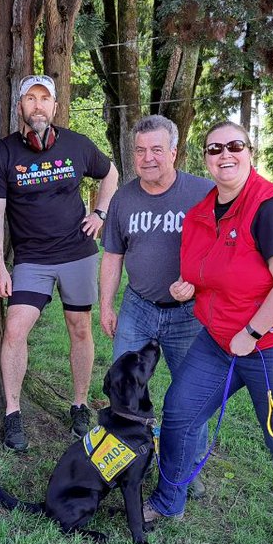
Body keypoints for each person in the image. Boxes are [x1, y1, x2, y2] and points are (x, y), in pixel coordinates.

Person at [143, 121, 273, 544]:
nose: (224, 155)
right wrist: (189, 289)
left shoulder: (272, 207)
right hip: (222, 338)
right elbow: (206, 271)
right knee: (181, 410)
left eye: (235, 146)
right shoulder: (200, 213)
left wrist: (252, 333)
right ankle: (169, 500)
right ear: (203, 157)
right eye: (214, 149)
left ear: (249, 151)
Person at [0, 74, 119, 451]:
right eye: (30, 98)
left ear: (55, 106)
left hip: (77, 254)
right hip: (32, 259)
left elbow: (110, 174)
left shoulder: (77, 145)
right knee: (15, 330)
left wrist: (101, 213)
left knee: (79, 328)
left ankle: (79, 404)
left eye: (45, 98)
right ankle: (13, 413)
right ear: (21, 108)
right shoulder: (4, 152)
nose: (38, 105)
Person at [98, 114, 213, 492]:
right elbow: (113, 256)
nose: (148, 158)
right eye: (141, 150)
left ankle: (184, 468)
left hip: (188, 316)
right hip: (138, 307)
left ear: (174, 153)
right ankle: (117, 458)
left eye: (157, 150)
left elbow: (225, 251)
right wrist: (107, 305)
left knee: (190, 394)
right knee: (122, 387)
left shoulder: (203, 193)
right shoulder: (123, 199)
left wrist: (198, 284)